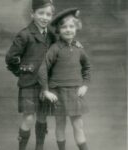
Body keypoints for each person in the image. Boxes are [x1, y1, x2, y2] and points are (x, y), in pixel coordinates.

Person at [5, 0, 57, 150]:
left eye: (48, 14)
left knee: (42, 117)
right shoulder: (25, 34)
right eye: (41, 13)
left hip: (45, 85)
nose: (44, 17)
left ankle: (39, 147)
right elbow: (10, 58)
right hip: (29, 83)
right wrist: (22, 71)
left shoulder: (51, 35)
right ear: (32, 14)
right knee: (28, 117)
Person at [38, 8, 91, 150]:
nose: (68, 30)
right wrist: (46, 90)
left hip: (75, 93)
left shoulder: (79, 48)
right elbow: (43, 68)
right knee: (60, 124)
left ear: (76, 28)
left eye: (71, 26)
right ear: (58, 30)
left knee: (78, 125)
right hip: (58, 93)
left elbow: (87, 67)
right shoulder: (55, 48)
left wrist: (85, 85)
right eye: (64, 27)